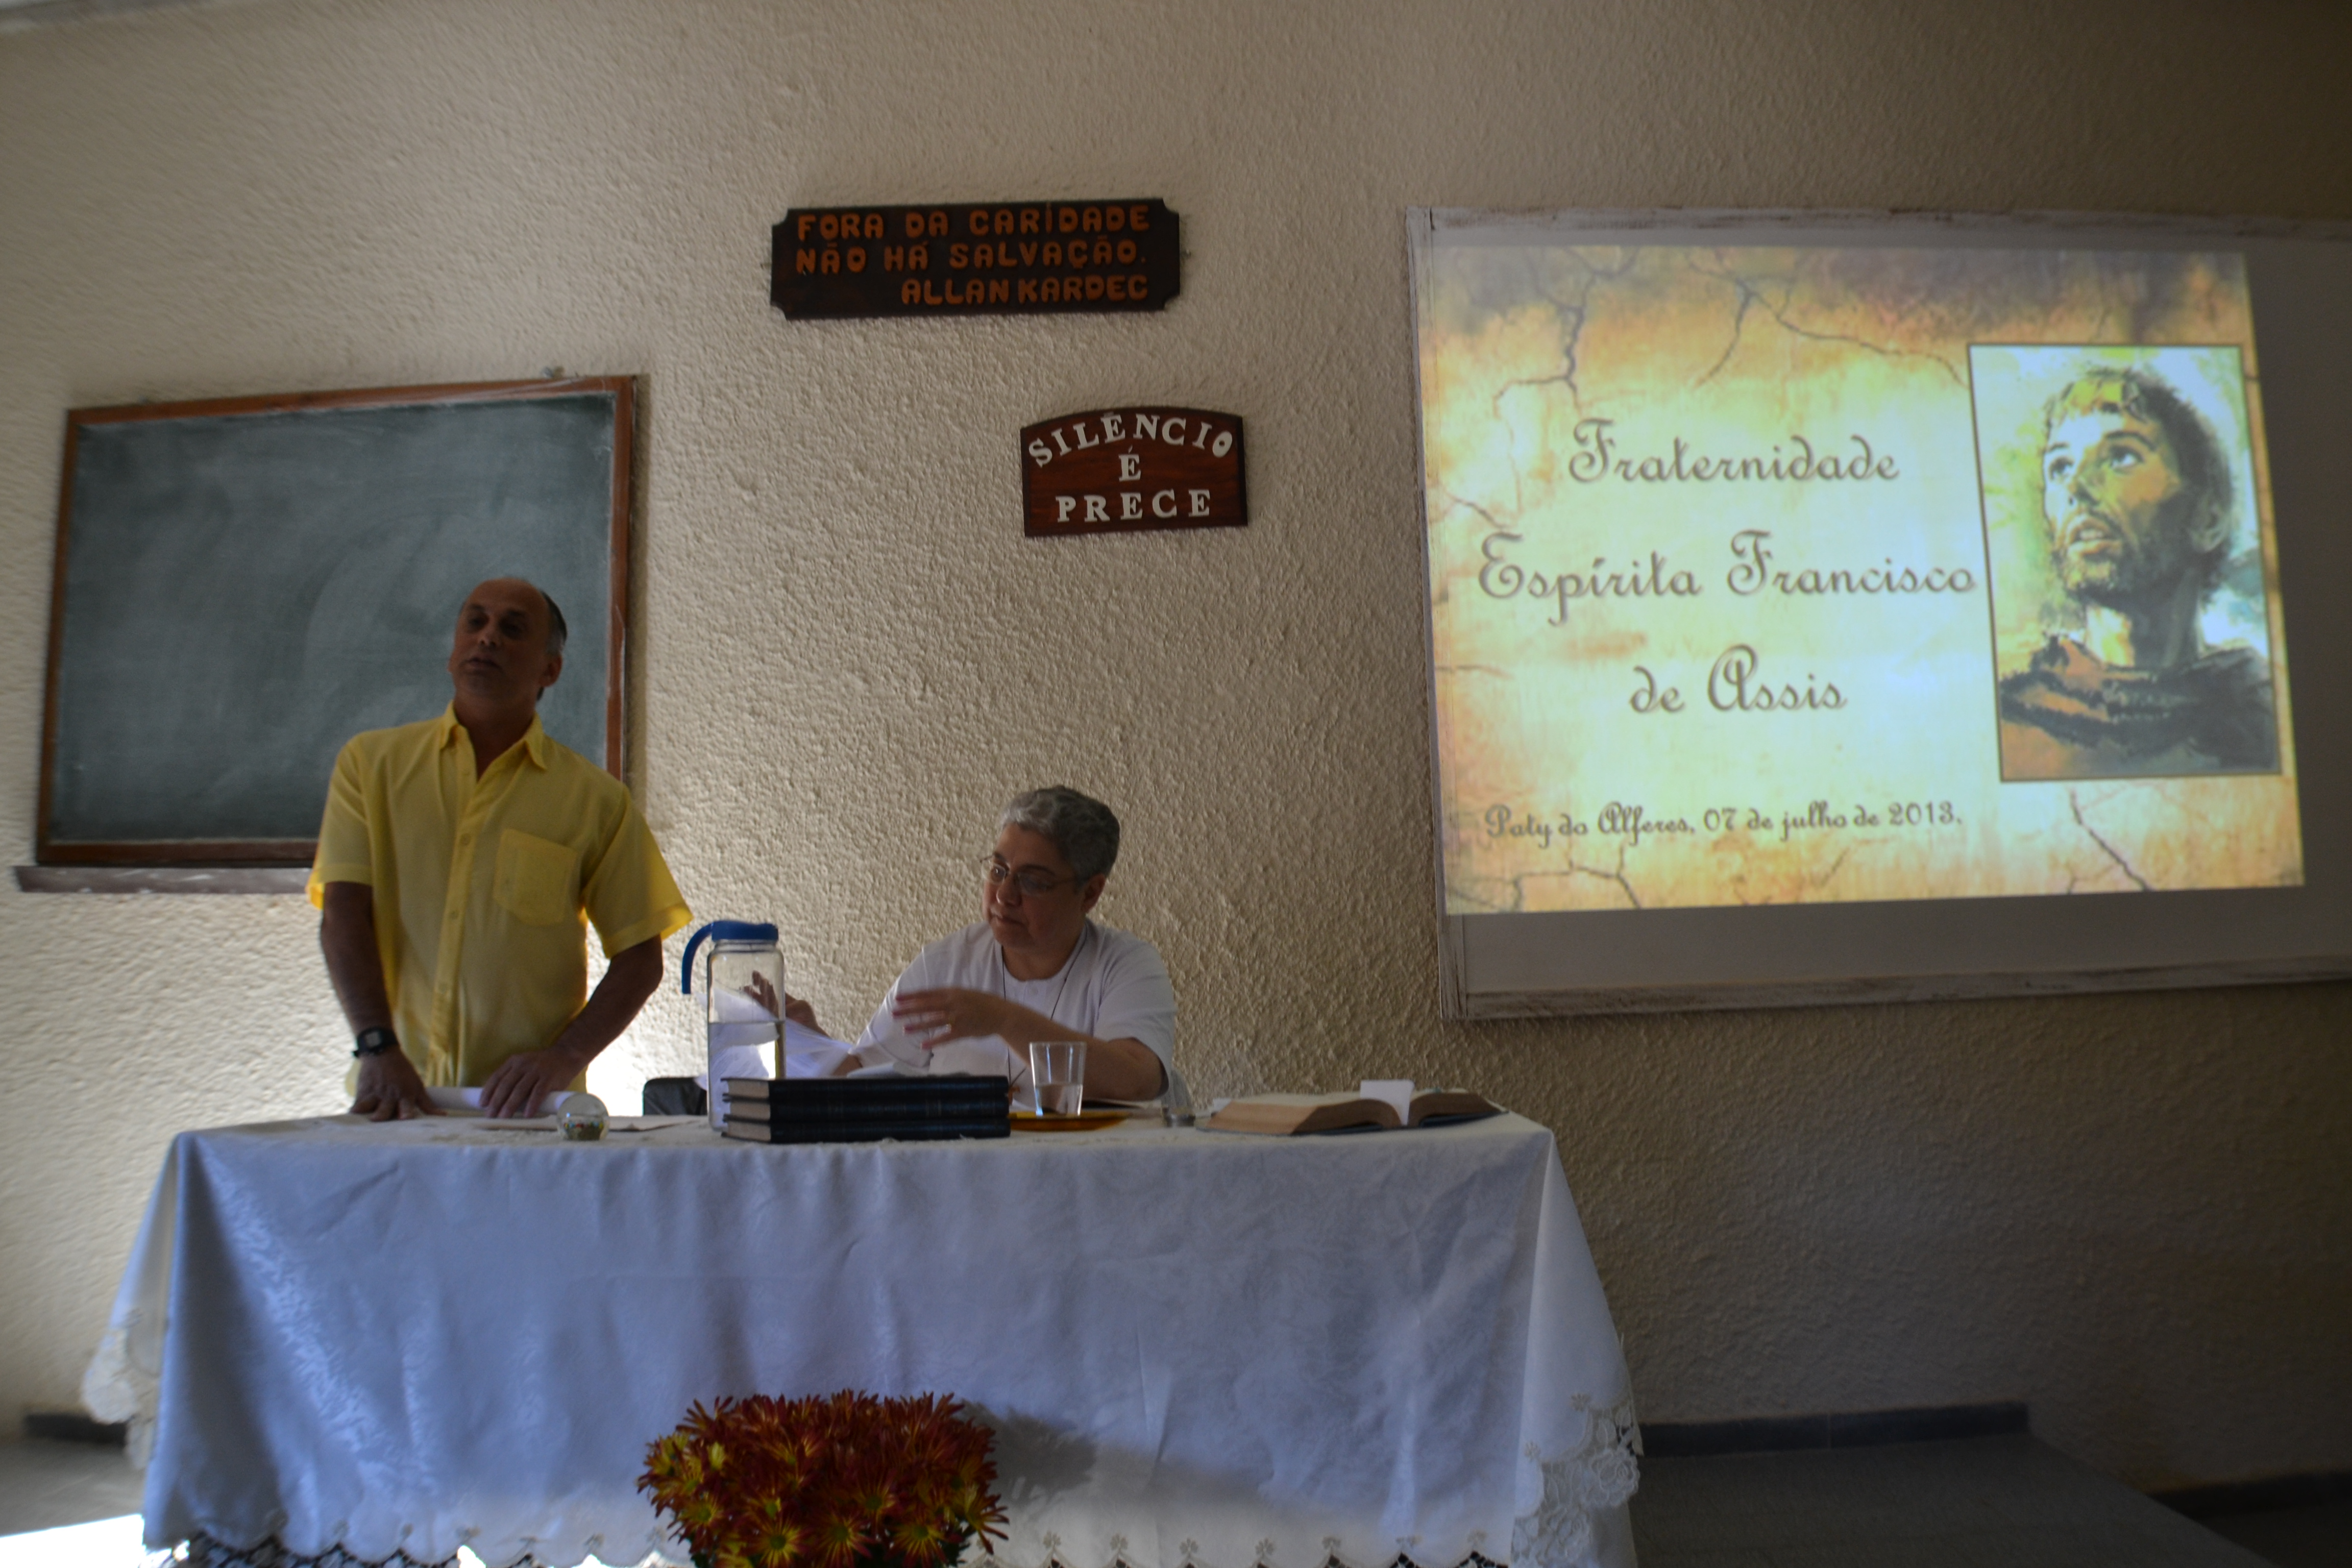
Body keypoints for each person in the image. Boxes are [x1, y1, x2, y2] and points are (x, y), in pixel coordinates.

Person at [310, 578, 692, 1119]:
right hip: (396, 1100)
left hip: (527, 1113)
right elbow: (343, 913)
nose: (488, 638)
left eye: (513, 629)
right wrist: (377, 1047)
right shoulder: (371, 767)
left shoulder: (595, 801)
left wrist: (566, 1056)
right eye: (476, 622)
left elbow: (640, 959)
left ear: (550, 670)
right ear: (453, 650)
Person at [1997, 366, 2277, 779]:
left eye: (2121, 457)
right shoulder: (2016, 722)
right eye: (2060, 467)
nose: (2076, 487)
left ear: (2208, 519)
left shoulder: (2264, 715)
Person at [831, 787, 1178, 1102]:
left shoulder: (1126, 964)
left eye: (1033, 882)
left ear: (1089, 893)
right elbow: (860, 1074)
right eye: (999, 870)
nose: (1004, 895)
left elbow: (1138, 1080)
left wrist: (1003, 1019)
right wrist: (810, 1046)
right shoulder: (944, 963)